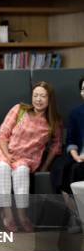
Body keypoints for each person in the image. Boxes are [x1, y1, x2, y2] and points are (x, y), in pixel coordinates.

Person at [0, 82, 62, 232]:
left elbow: (56, 145)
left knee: (22, 170)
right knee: (3, 167)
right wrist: (7, 155)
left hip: (24, 159)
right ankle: (7, 214)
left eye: (43, 96)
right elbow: (2, 135)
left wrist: (45, 167)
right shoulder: (19, 110)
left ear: (50, 99)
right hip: (1, 152)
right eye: (35, 95)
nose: (38, 99)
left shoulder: (54, 121)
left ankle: (22, 215)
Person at [50, 77, 84, 233]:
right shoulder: (76, 113)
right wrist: (76, 155)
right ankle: (75, 215)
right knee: (61, 168)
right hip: (79, 154)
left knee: (77, 170)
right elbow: (71, 139)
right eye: (83, 89)